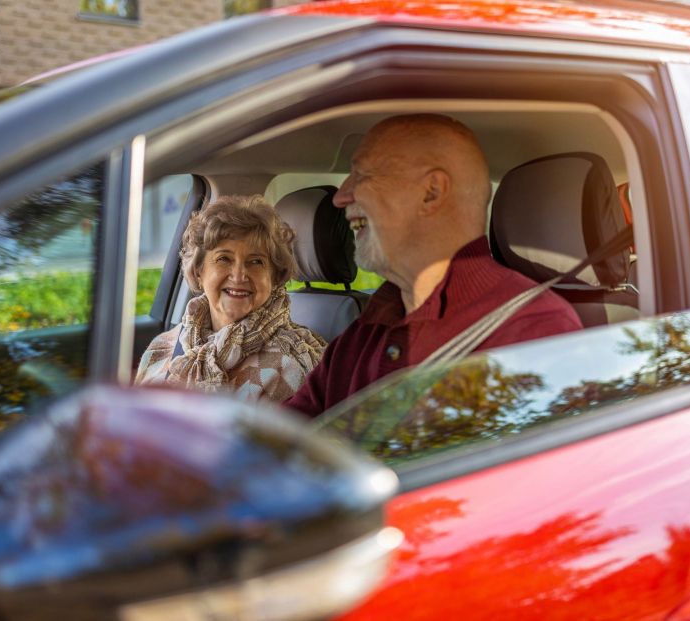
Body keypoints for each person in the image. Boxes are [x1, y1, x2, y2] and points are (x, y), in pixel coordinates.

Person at [285, 114, 582, 417]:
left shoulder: (535, 330)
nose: (340, 197)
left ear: (432, 192)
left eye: (361, 174)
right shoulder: (364, 331)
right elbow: (284, 442)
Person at [136, 195, 326, 402]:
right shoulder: (163, 346)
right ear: (199, 271)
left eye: (255, 261)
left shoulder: (291, 364)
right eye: (224, 259)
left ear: (273, 277)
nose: (239, 275)